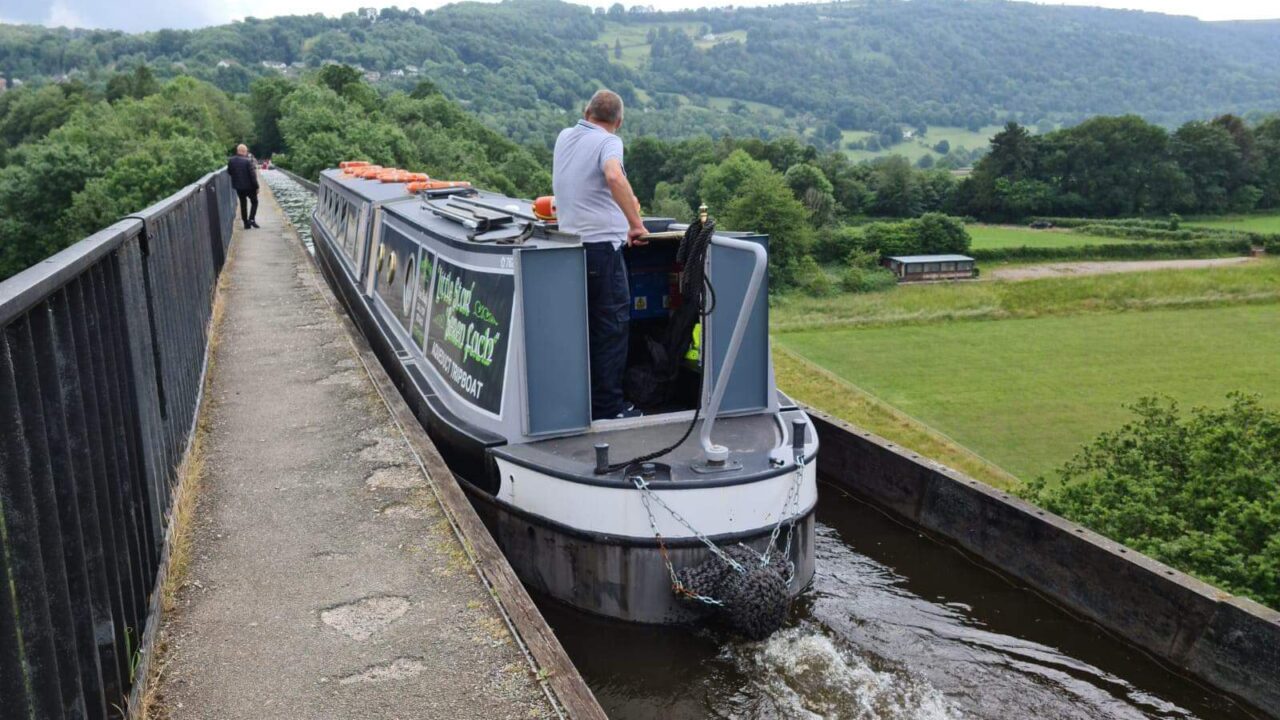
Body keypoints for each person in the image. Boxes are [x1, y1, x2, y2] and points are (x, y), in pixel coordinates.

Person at [553, 89, 647, 420]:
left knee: (581, 329)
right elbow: (612, 175)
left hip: (568, 249)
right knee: (611, 329)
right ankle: (609, 409)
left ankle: (577, 402)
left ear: (586, 110)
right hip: (602, 252)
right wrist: (635, 224)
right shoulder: (610, 142)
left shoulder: (565, 136)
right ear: (618, 122)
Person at [227, 144, 260, 230]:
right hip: (250, 187)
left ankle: (246, 223)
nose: (246, 153)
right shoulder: (247, 161)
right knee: (254, 202)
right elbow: (253, 176)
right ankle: (251, 219)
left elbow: (229, 172)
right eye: (246, 151)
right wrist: (257, 187)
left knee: (243, 203)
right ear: (243, 151)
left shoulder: (231, 160)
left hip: (239, 187)